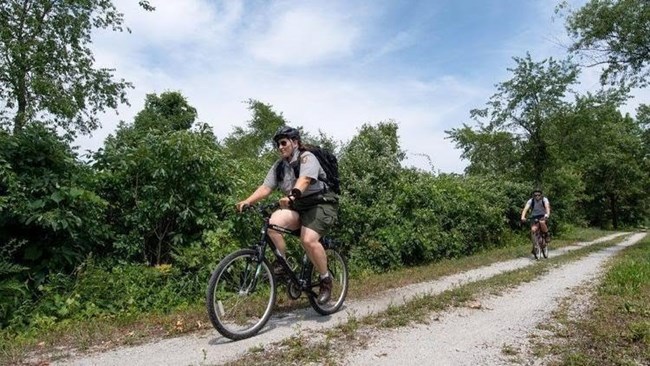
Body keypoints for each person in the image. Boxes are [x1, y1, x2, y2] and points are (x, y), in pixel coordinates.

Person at [236, 126, 339, 304]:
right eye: (278, 144)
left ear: (295, 142)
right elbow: (266, 187)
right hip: (298, 206)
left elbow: (305, 180)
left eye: (283, 142)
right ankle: (283, 265)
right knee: (272, 224)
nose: (280, 147)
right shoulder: (279, 167)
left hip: (321, 204)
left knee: (308, 240)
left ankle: (325, 280)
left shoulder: (307, 157)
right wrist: (248, 201)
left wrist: (292, 195)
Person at [520, 188, 551, 254]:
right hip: (534, 217)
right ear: (533, 195)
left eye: (538, 195)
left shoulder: (544, 199)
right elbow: (525, 209)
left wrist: (547, 215)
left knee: (542, 222)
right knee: (533, 230)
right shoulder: (531, 201)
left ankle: (547, 234)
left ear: (541, 195)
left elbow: (547, 207)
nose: (537, 196)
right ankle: (535, 246)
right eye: (535, 195)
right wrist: (523, 217)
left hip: (543, 215)